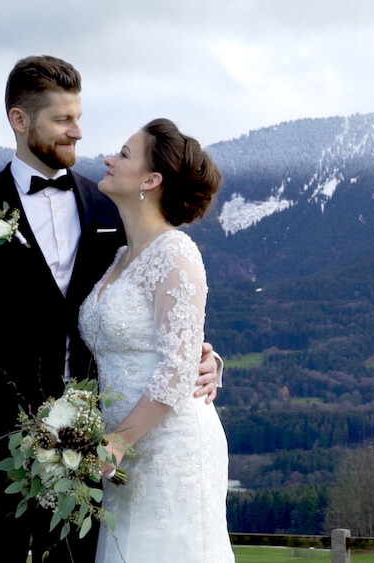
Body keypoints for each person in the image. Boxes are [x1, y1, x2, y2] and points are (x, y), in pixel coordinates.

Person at [0, 57, 222, 563]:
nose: (78, 132)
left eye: (79, 116)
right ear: (20, 121)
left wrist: (208, 359)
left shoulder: (112, 207)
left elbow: (167, 299)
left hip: (97, 463)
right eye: (63, 119)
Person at [80, 118, 232, 562]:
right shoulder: (120, 256)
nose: (109, 159)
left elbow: (178, 367)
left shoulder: (176, 251)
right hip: (123, 457)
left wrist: (117, 442)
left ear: (151, 179)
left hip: (169, 449)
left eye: (124, 154)